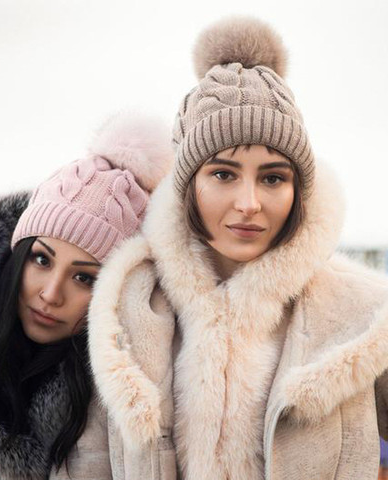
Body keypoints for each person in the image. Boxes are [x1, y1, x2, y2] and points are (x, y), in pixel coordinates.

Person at [87, 17, 388, 480]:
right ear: (188, 186)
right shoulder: (125, 309)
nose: (249, 204)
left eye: (272, 178)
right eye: (223, 174)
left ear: (298, 190)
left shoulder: (364, 314)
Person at [0, 111, 173, 480]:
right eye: (41, 259)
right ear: (19, 256)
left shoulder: (126, 398)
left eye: (83, 277)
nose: (50, 294)